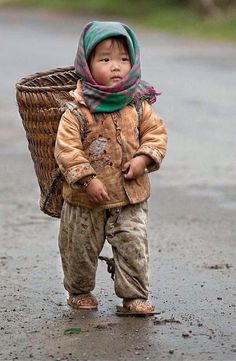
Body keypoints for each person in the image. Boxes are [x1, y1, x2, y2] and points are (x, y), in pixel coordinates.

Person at [54, 21, 167, 315]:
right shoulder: (76, 110)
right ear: (87, 65)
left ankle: (133, 297)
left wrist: (144, 158)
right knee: (78, 246)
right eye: (105, 59)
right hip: (84, 199)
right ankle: (79, 290)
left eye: (123, 59)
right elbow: (67, 150)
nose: (116, 67)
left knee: (133, 244)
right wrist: (87, 179)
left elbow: (156, 133)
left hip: (130, 195)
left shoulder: (137, 103)